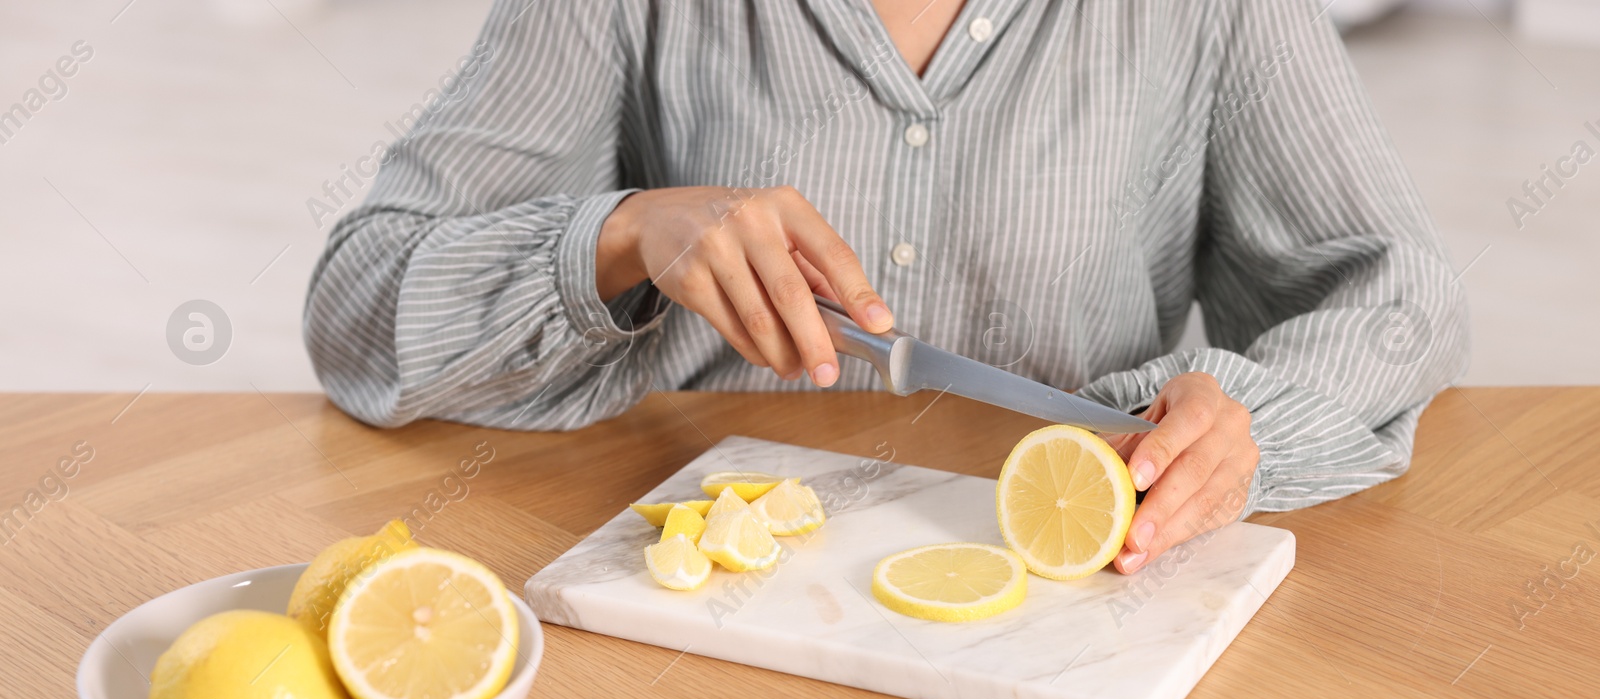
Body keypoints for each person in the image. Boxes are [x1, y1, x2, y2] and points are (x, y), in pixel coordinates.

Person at [305, 0, 1467, 575]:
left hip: (1060, 613)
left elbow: (1396, 290)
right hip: (691, 612)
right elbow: (361, 302)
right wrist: (619, 235)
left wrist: (1238, 412)